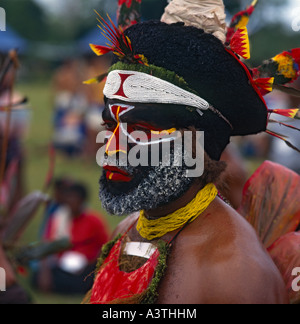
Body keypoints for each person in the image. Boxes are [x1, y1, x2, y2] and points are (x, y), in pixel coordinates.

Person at [83, 0, 300, 304]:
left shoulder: (233, 273)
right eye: (110, 126)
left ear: (194, 142)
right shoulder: (126, 230)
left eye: (140, 129)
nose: (112, 149)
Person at [32, 182, 110, 295]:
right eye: (68, 197)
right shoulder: (59, 218)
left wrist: (89, 264)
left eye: (74, 198)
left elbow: (104, 249)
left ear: (82, 200)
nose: (70, 201)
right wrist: (45, 272)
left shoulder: (94, 221)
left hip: (86, 268)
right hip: (61, 267)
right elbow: (46, 246)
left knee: (89, 280)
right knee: (37, 276)